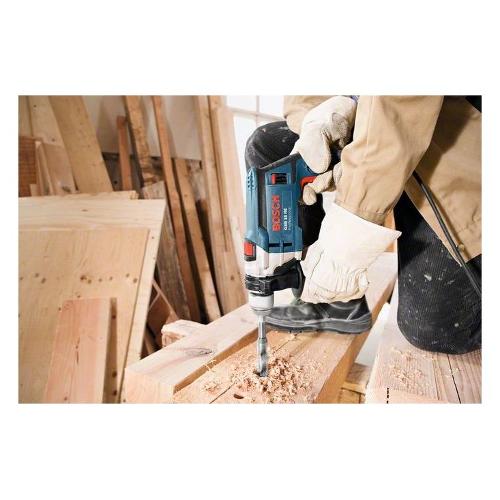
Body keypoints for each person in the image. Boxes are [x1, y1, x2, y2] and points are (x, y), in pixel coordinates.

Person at [244, 96, 481, 355]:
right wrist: (326, 117)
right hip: (371, 127)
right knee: (267, 144)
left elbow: (397, 111)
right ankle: (332, 303)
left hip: (443, 142)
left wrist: (347, 241)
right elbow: (304, 95)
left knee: (435, 331)